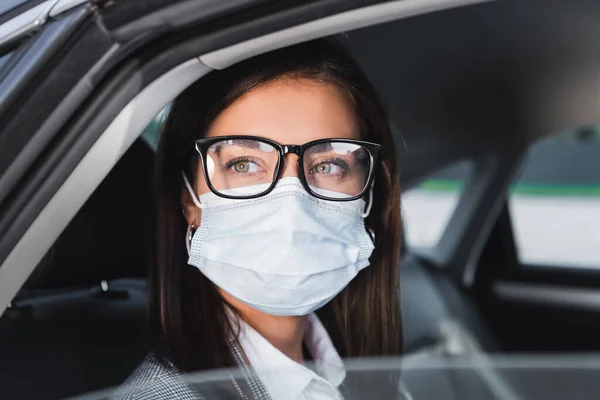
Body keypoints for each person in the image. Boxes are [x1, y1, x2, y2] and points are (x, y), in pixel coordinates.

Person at [115, 37, 404, 399]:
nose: (292, 206)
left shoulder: (358, 374)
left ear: (371, 194)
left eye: (328, 165)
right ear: (188, 200)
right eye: (244, 164)